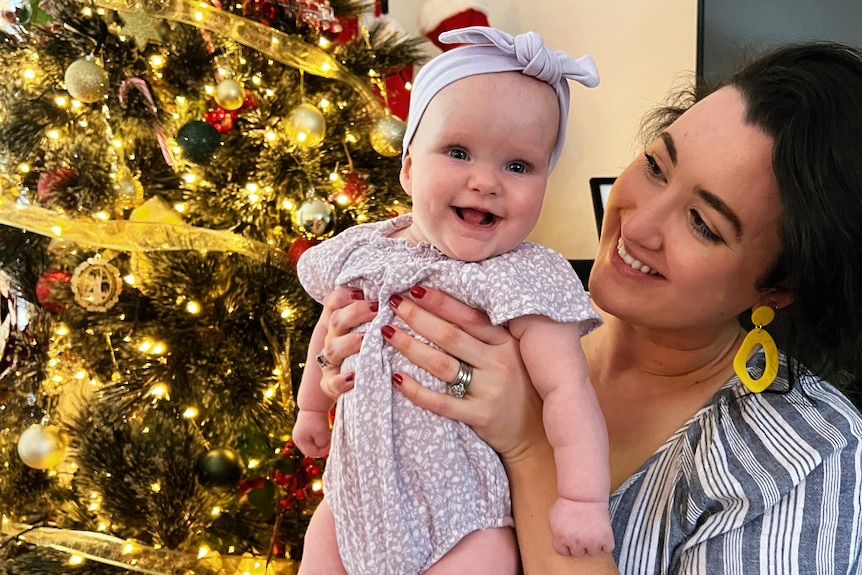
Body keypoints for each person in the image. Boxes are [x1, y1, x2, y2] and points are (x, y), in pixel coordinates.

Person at [314, 41, 862, 574]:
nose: (638, 225)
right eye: (655, 166)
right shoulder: (515, 301)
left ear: (779, 286)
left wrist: (529, 443)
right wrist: (338, 370)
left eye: (703, 224)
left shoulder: (807, 459)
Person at [292, 26, 614, 575]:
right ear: (410, 166)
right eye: (458, 152)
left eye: (518, 166)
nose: (485, 181)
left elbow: (568, 389)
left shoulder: (521, 277)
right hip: (353, 504)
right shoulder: (367, 247)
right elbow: (329, 325)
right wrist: (311, 405)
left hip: (464, 517)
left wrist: (582, 499)